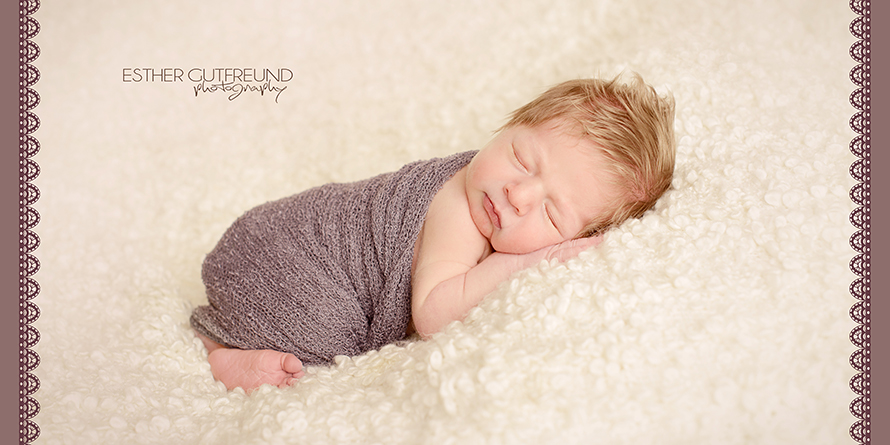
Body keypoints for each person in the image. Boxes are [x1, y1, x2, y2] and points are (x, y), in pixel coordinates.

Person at [191, 73, 676, 392]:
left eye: (551, 214)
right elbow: (432, 314)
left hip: (275, 247)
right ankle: (223, 349)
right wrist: (526, 260)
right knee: (326, 334)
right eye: (521, 159)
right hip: (278, 255)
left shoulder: (496, 197)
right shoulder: (458, 206)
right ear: (508, 126)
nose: (518, 194)